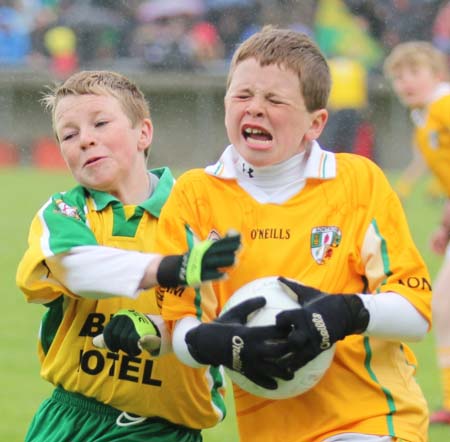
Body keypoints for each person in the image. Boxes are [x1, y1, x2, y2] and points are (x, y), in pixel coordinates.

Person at [105, 27, 433, 441]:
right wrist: (222, 343)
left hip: (373, 421)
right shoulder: (195, 195)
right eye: (242, 96)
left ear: (315, 123)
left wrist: (345, 313)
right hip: (268, 429)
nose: (255, 109)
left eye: (275, 100)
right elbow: (180, 327)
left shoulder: (358, 181)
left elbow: (416, 313)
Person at [15, 69, 243, 442]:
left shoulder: (197, 217)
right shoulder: (65, 212)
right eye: (69, 135)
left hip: (167, 430)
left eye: (100, 123)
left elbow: (221, 317)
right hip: (71, 418)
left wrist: (155, 328)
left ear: (144, 133)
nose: (85, 140)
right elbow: (76, 268)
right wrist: (168, 269)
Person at [384, 40, 450, 425]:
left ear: (437, 74)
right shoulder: (426, 117)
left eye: (414, 73)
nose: (405, 82)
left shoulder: (443, 105)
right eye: (398, 76)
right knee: (442, 307)